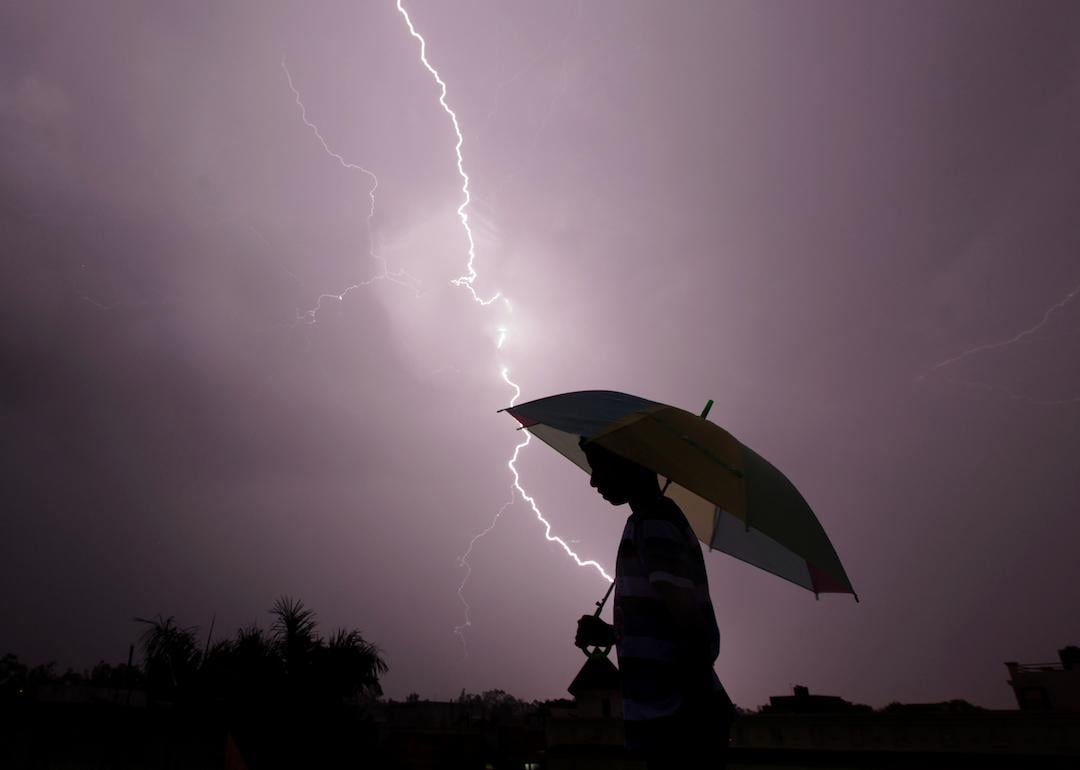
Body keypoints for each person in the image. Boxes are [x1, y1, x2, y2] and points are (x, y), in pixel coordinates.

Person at [575, 438, 734, 770]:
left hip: (680, 723)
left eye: (599, 467)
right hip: (667, 721)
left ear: (631, 462)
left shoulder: (656, 523)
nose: (592, 480)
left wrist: (697, 709)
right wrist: (610, 633)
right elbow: (659, 623)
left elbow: (686, 622)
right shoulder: (643, 522)